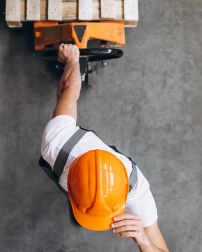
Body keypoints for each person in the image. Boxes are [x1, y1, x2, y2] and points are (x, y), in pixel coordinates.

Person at [39, 44, 169, 252]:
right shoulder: (57, 143)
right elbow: (68, 91)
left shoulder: (137, 193)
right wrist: (73, 61)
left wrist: (144, 239)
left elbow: (68, 91)